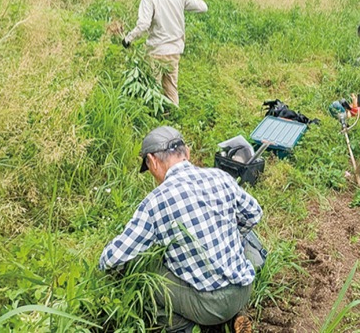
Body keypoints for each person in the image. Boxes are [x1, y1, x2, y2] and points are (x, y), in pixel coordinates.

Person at [99, 126, 263, 333]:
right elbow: (254, 213)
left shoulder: (156, 202)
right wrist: (230, 237)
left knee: (146, 272)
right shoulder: (220, 177)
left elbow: (113, 258)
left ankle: (189, 327)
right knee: (246, 235)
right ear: (187, 152)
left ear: (152, 161)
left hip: (209, 306)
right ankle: (233, 318)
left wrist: (101, 274)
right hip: (243, 289)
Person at [123, 0, 208, 107]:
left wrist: (128, 39)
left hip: (157, 51)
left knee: (154, 88)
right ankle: (174, 116)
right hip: (175, 50)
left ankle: (154, 121)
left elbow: (143, 24)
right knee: (171, 88)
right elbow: (203, 7)